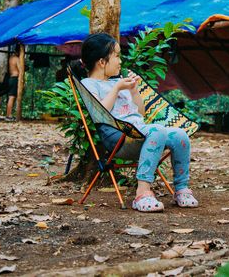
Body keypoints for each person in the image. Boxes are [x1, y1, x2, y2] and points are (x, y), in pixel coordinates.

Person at [76, 33, 198, 212]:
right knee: (157, 131)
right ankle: (142, 193)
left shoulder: (120, 82)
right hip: (119, 138)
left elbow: (139, 113)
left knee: (180, 135)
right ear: (102, 62)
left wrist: (133, 91)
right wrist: (117, 88)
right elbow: (100, 113)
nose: (120, 61)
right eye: (117, 56)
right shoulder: (89, 84)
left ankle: (181, 189)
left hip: (140, 132)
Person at [5, 47, 20, 118]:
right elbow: (21, 70)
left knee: (11, 97)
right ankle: (8, 115)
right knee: (12, 97)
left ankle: (8, 114)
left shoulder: (10, 58)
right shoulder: (17, 59)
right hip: (15, 78)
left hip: (10, 78)